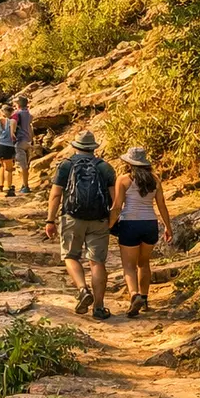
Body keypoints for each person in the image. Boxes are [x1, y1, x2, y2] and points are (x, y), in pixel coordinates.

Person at [44, 130, 116, 320]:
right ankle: (99, 308)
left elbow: (55, 195)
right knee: (97, 262)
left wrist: (50, 220)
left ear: (75, 146)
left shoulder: (66, 166)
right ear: (93, 148)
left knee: (70, 256)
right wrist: (112, 220)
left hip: (72, 218)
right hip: (99, 220)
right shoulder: (105, 168)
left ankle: (83, 290)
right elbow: (115, 199)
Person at [110, 147, 174, 317]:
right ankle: (144, 299)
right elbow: (161, 205)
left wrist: (109, 225)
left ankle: (134, 295)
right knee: (144, 263)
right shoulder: (155, 180)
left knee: (129, 265)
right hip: (150, 224)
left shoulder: (124, 180)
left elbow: (117, 207)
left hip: (130, 224)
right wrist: (168, 227)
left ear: (129, 163)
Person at [0, 104, 19, 199]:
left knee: (2, 165)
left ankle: (1, 183)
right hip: (8, 146)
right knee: (9, 168)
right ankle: (8, 187)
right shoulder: (12, 121)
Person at [11, 96, 34, 194]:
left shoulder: (17, 114)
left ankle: (25, 186)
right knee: (26, 165)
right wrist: (31, 139)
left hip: (20, 141)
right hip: (28, 140)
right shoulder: (28, 114)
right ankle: (24, 184)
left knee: (22, 166)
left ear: (18, 104)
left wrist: (12, 132)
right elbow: (30, 126)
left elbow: (13, 122)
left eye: (15, 104)